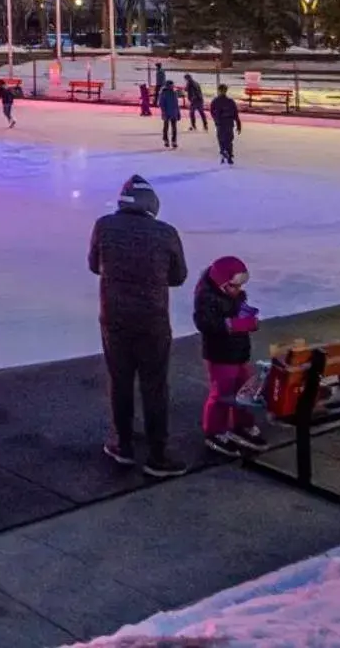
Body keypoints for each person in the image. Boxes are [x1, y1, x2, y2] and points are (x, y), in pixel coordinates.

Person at [88, 175, 189, 478]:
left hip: (114, 318)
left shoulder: (103, 226)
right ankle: (158, 453)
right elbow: (178, 276)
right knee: (154, 384)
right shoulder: (165, 233)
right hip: (152, 320)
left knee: (120, 381)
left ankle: (124, 444)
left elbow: (95, 265)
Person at [192, 255, 266, 456]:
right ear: (222, 284)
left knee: (246, 388)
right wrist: (234, 324)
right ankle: (214, 431)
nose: (239, 290)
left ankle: (243, 424)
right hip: (220, 353)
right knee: (222, 393)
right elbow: (205, 323)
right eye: (234, 286)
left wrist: (247, 318)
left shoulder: (236, 295)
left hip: (239, 350)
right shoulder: (206, 298)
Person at [210, 83, 243, 165]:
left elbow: (212, 112)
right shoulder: (230, 101)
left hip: (221, 123)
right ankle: (228, 154)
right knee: (228, 140)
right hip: (227, 123)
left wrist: (216, 120)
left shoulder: (216, 101)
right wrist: (238, 124)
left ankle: (224, 153)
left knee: (222, 139)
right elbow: (235, 114)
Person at [157, 80, 181, 149]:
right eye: (170, 85)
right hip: (166, 113)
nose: (172, 86)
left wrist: (178, 113)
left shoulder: (174, 93)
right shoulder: (163, 93)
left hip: (174, 113)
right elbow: (161, 104)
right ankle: (165, 140)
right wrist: (164, 112)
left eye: (172, 85)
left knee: (174, 128)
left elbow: (176, 104)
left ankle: (174, 141)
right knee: (166, 127)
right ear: (167, 86)